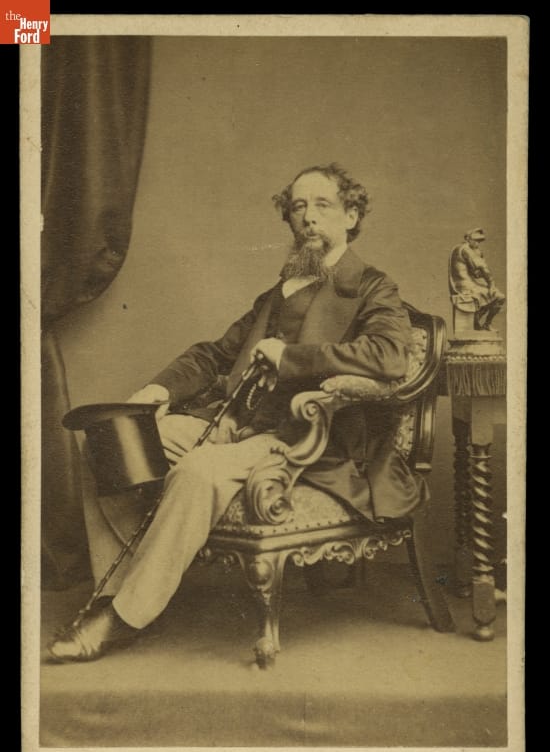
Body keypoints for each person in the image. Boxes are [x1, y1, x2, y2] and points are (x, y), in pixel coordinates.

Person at [48, 162, 420, 663]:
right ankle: (123, 588)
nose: (308, 217)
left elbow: (389, 357)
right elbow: (215, 354)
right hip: (232, 425)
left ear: (351, 216)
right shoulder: (277, 293)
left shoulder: (374, 287)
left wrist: (290, 358)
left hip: (302, 440)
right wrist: (157, 390)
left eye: (323, 205)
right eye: (298, 206)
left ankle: (122, 620)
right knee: (109, 438)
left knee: (198, 473)